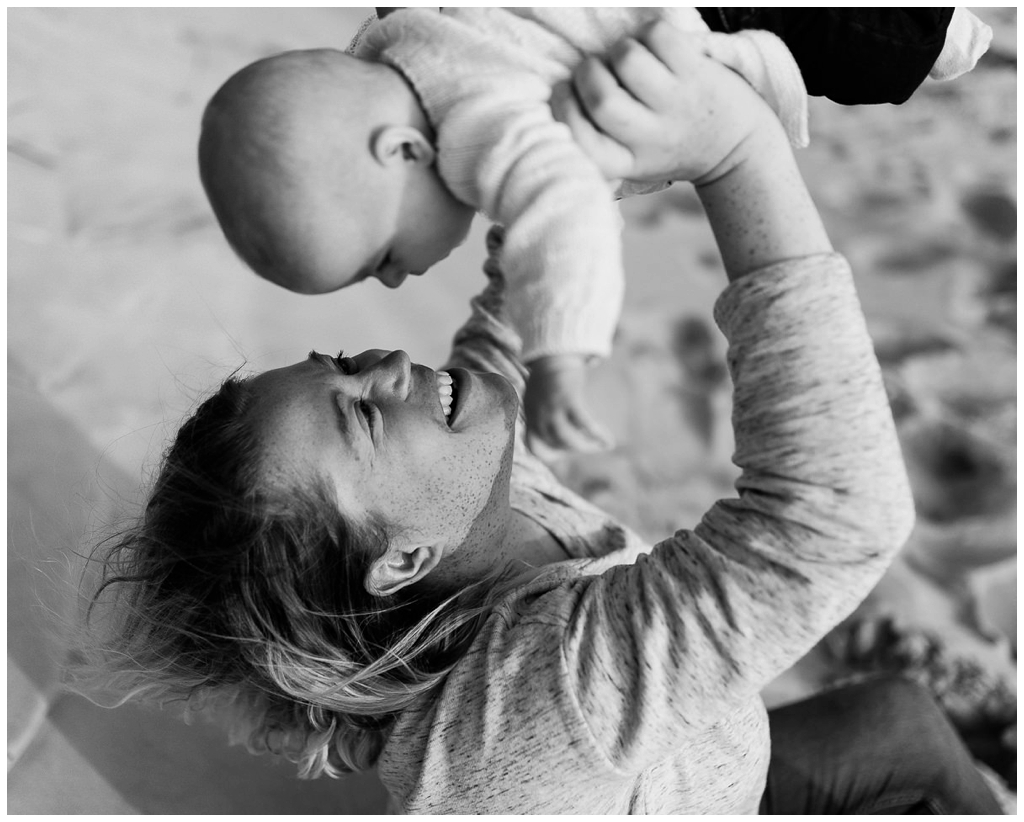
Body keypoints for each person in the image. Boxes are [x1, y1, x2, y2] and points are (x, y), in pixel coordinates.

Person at [79, 23, 1002, 814]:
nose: (392, 365)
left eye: (344, 363)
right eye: (362, 416)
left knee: (901, 721)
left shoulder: (456, 498)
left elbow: (508, 330)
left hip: (707, 775)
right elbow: (831, 520)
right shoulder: (538, 699)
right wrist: (736, 155)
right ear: (400, 562)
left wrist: (549, 151)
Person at [197, 8, 992, 456]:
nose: (401, 278)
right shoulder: (411, 32)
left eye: (378, 259)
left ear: (402, 151)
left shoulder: (484, 123)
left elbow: (568, 218)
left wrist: (559, 358)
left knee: (888, 49)